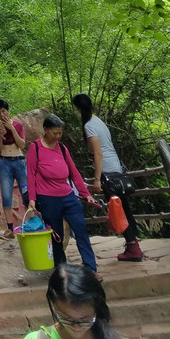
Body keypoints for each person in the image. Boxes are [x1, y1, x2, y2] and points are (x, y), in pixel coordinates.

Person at [71, 93, 142, 262]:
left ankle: (133, 247)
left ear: (79, 109)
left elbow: (98, 152)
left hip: (108, 172)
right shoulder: (98, 121)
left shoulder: (89, 125)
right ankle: (133, 245)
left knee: (119, 210)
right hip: (116, 168)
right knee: (123, 208)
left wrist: (97, 180)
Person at [27, 114, 99, 274]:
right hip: (48, 198)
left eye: (60, 133)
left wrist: (85, 193)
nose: (58, 136)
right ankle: (61, 270)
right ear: (45, 130)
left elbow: (73, 172)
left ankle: (91, 268)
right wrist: (32, 199)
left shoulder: (62, 148)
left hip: (68, 196)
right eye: (55, 133)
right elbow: (30, 175)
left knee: (81, 230)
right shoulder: (36, 148)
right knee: (57, 236)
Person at [16, 263, 136, 339]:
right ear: (54, 306)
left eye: (85, 319)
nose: (76, 327)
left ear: (97, 309)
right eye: (66, 318)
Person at [0, 98, 29, 240]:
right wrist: (0, 136)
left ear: (8, 110)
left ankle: (31, 224)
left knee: (26, 192)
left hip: (19, 161)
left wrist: (12, 129)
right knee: (6, 195)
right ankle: (9, 229)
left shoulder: (18, 125)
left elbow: (22, 145)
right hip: (4, 161)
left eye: (4, 111)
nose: (2, 115)